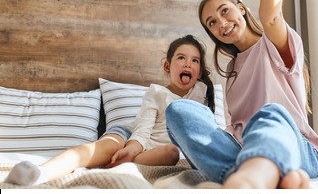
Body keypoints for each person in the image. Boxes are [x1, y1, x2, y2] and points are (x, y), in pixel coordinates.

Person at [165, 0, 318, 189]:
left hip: (295, 146)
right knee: (178, 111)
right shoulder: (232, 72)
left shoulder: (273, 42)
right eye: (212, 23)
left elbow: (271, 16)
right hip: (244, 149)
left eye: (225, 11)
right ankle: (270, 174)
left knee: (270, 113)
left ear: (242, 9)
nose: (222, 23)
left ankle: (252, 178)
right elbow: (233, 130)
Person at [5, 34, 215, 186]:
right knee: (103, 149)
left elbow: (206, 134)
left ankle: (107, 166)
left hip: (154, 153)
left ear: (199, 72)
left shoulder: (200, 96)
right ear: (167, 67)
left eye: (194, 60)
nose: (188, 63)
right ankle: (41, 173)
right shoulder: (157, 93)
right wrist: (132, 148)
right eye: (181, 58)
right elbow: (142, 129)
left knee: (170, 153)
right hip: (131, 135)